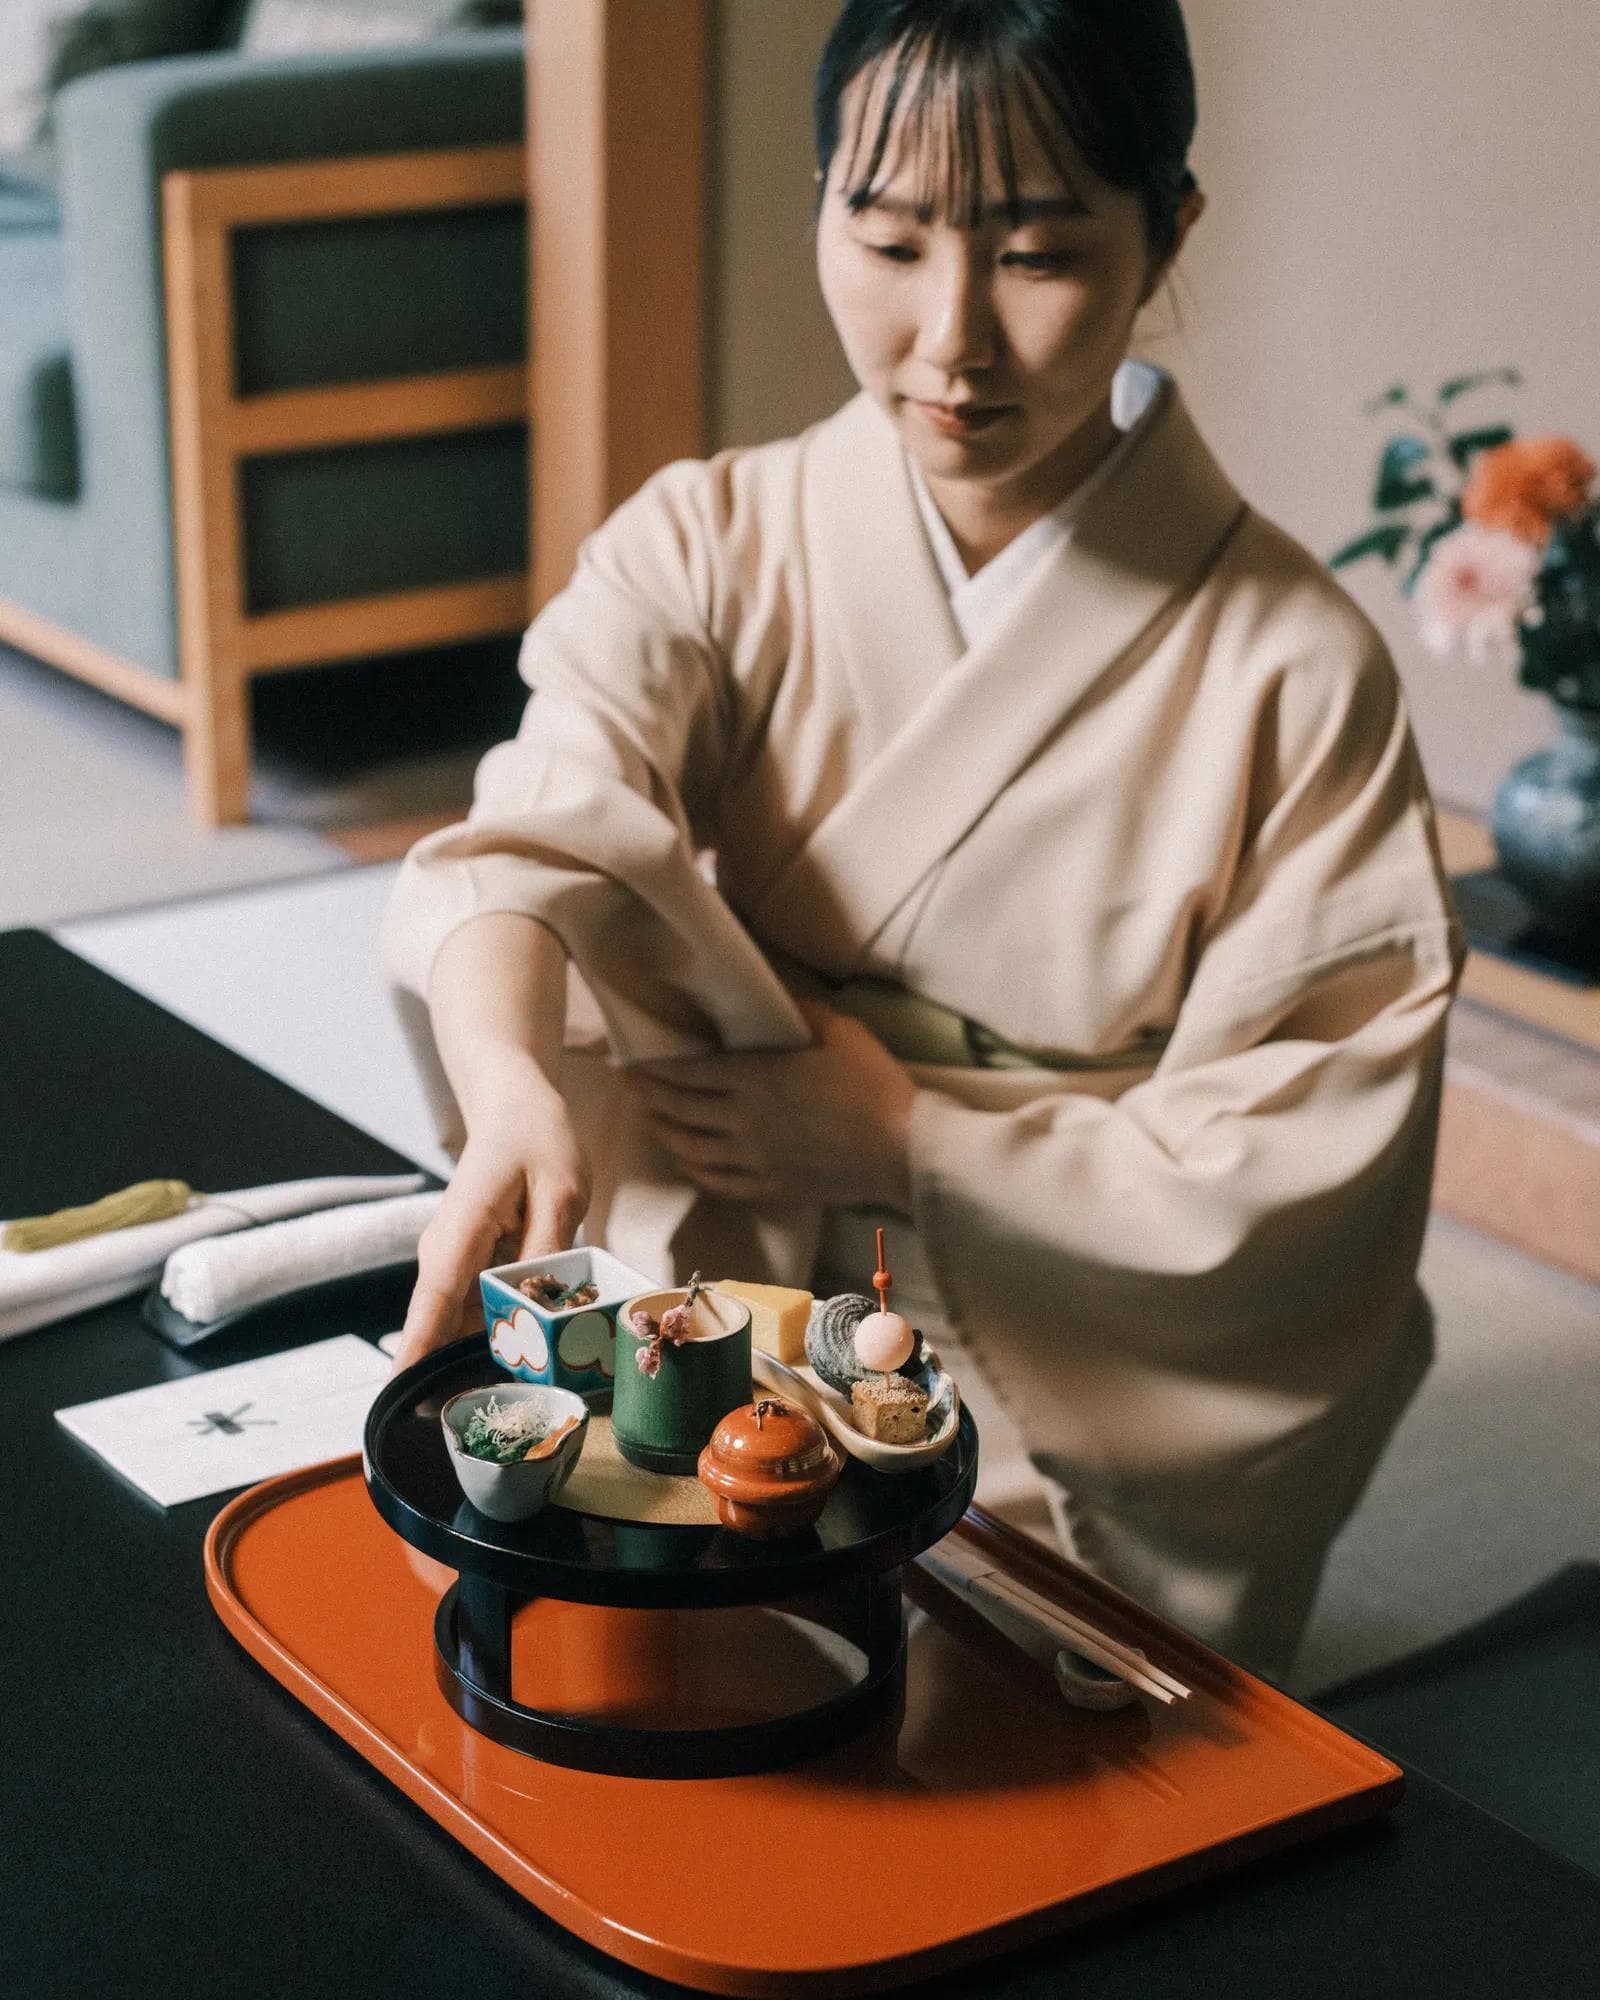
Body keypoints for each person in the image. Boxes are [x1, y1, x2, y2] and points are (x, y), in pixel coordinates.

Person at [381, 0, 1464, 1680]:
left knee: (1020, 1772)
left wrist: (909, 1142)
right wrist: (512, 1079)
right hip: (730, 1259)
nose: (952, 340)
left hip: (1079, 1334)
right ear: (825, 205)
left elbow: (1308, 1155)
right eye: (888, 240)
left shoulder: (1296, 667)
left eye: (1036, 255)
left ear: (1168, 229)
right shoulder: (715, 539)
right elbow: (539, 826)